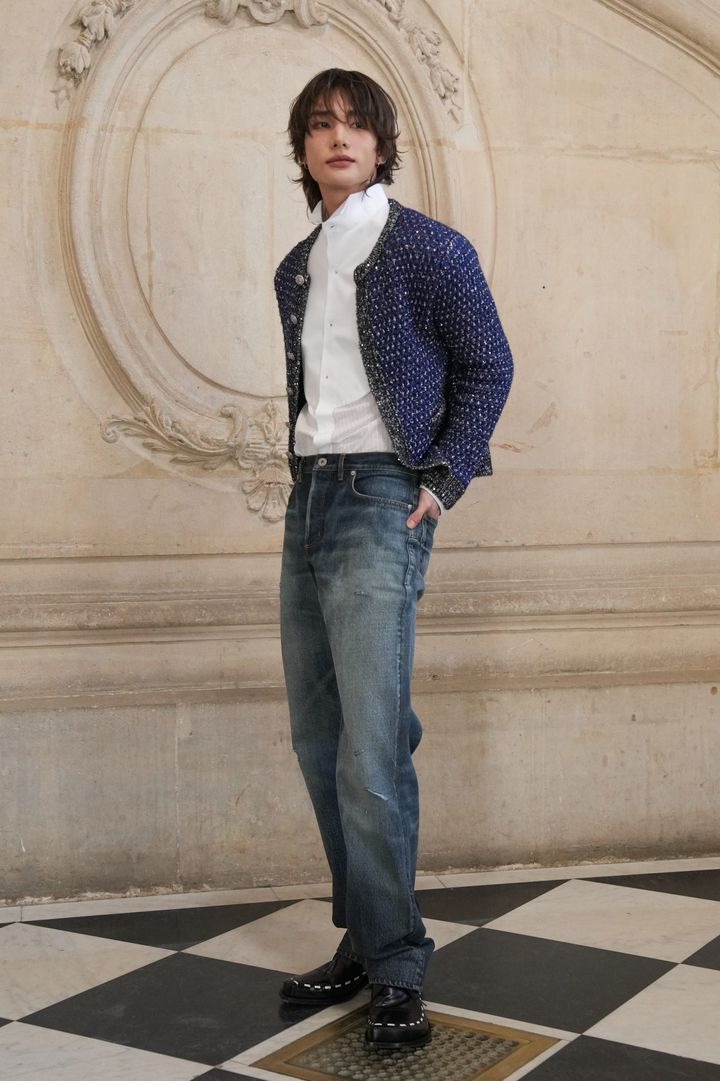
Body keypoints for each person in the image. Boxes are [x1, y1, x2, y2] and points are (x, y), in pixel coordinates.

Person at [273, 68, 513, 1050]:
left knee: (372, 747)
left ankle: (399, 963)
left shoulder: (426, 248)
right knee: (318, 737)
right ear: (303, 149)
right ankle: (366, 938)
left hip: (383, 495)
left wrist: (442, 478)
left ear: (381, 144)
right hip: (311, 496)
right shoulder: (296, 266)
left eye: (355, 124)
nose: (338, 137)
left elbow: (489, 364)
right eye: (320, 125)